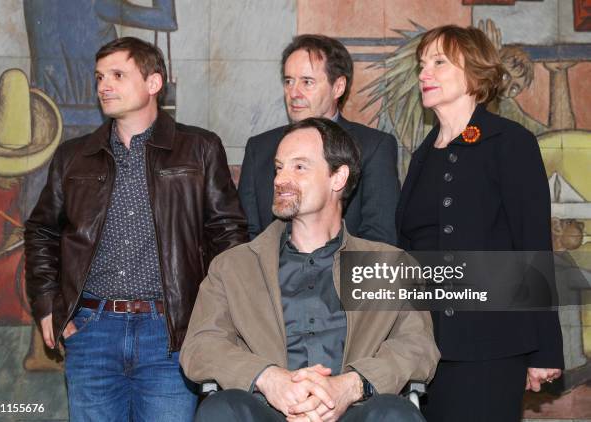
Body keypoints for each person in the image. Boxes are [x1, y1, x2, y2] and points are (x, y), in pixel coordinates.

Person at [24, 37, 248, 421]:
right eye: (99, 77)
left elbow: (228, 237)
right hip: (92, 330)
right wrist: (47, 307)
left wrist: (218, 318)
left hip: (170, 334)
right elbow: (42, 231)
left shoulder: (200, 148)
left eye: (117, 75)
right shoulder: (73, 156)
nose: (103, 86)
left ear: (153, 83)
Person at [181, 117, 439, 422]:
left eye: (299, 167)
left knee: (396, 415)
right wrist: (267, 377)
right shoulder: (236, 266)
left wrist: (350, 385)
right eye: (279, 167)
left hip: (355, 411)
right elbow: (200, 345)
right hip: (266, 409)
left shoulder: (384, 265)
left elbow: (417, 347)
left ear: (338, 178)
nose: (280, 179)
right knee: (220, 410)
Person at [396, 25, 564, 421]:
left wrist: (544, 351)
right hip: (423, 349)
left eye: (439, 62)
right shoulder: (422, 155)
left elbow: (532, 246)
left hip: (492, 346)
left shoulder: (510, 142)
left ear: (474, 73)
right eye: (422, 65)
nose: (424, 73)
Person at [238, 34, 400, 244]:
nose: (294, 92)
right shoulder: (259, 148)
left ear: (338, 87)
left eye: (307, 82)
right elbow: (245, 235)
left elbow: (380, 240)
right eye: (289, 81)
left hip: (345, 274)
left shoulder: (372, 147)